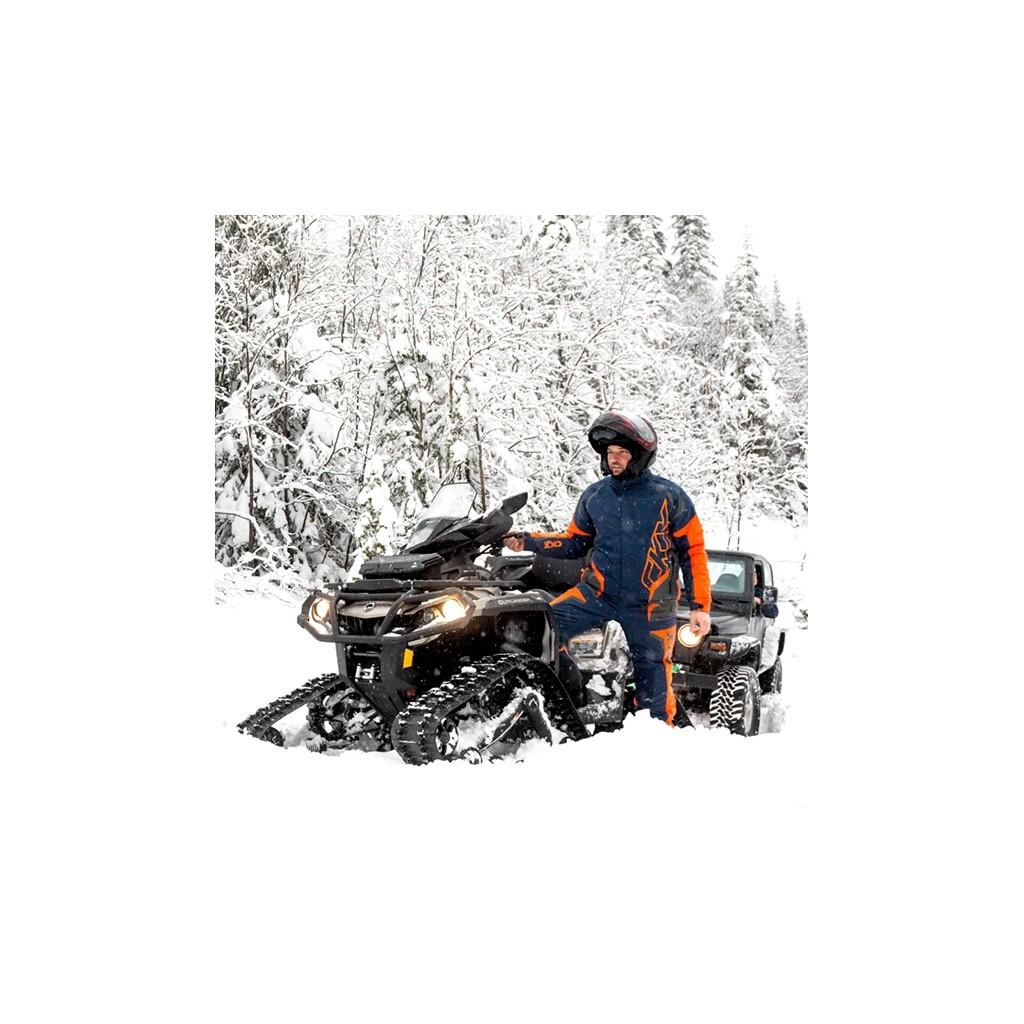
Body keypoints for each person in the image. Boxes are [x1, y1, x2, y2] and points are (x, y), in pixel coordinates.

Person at [505, 410, 712, 728]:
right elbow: (574, 543)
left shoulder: (669, 496)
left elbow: (693, 551)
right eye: (610, 452)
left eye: (622, 452)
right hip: (598, 593)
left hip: (651, 603)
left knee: (654, 681)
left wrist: (700, 607)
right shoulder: (595, 496)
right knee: (543, 626)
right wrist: (529, 541)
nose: (614, 459)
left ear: (640, 455)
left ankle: (659, 737)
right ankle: (568, 696)